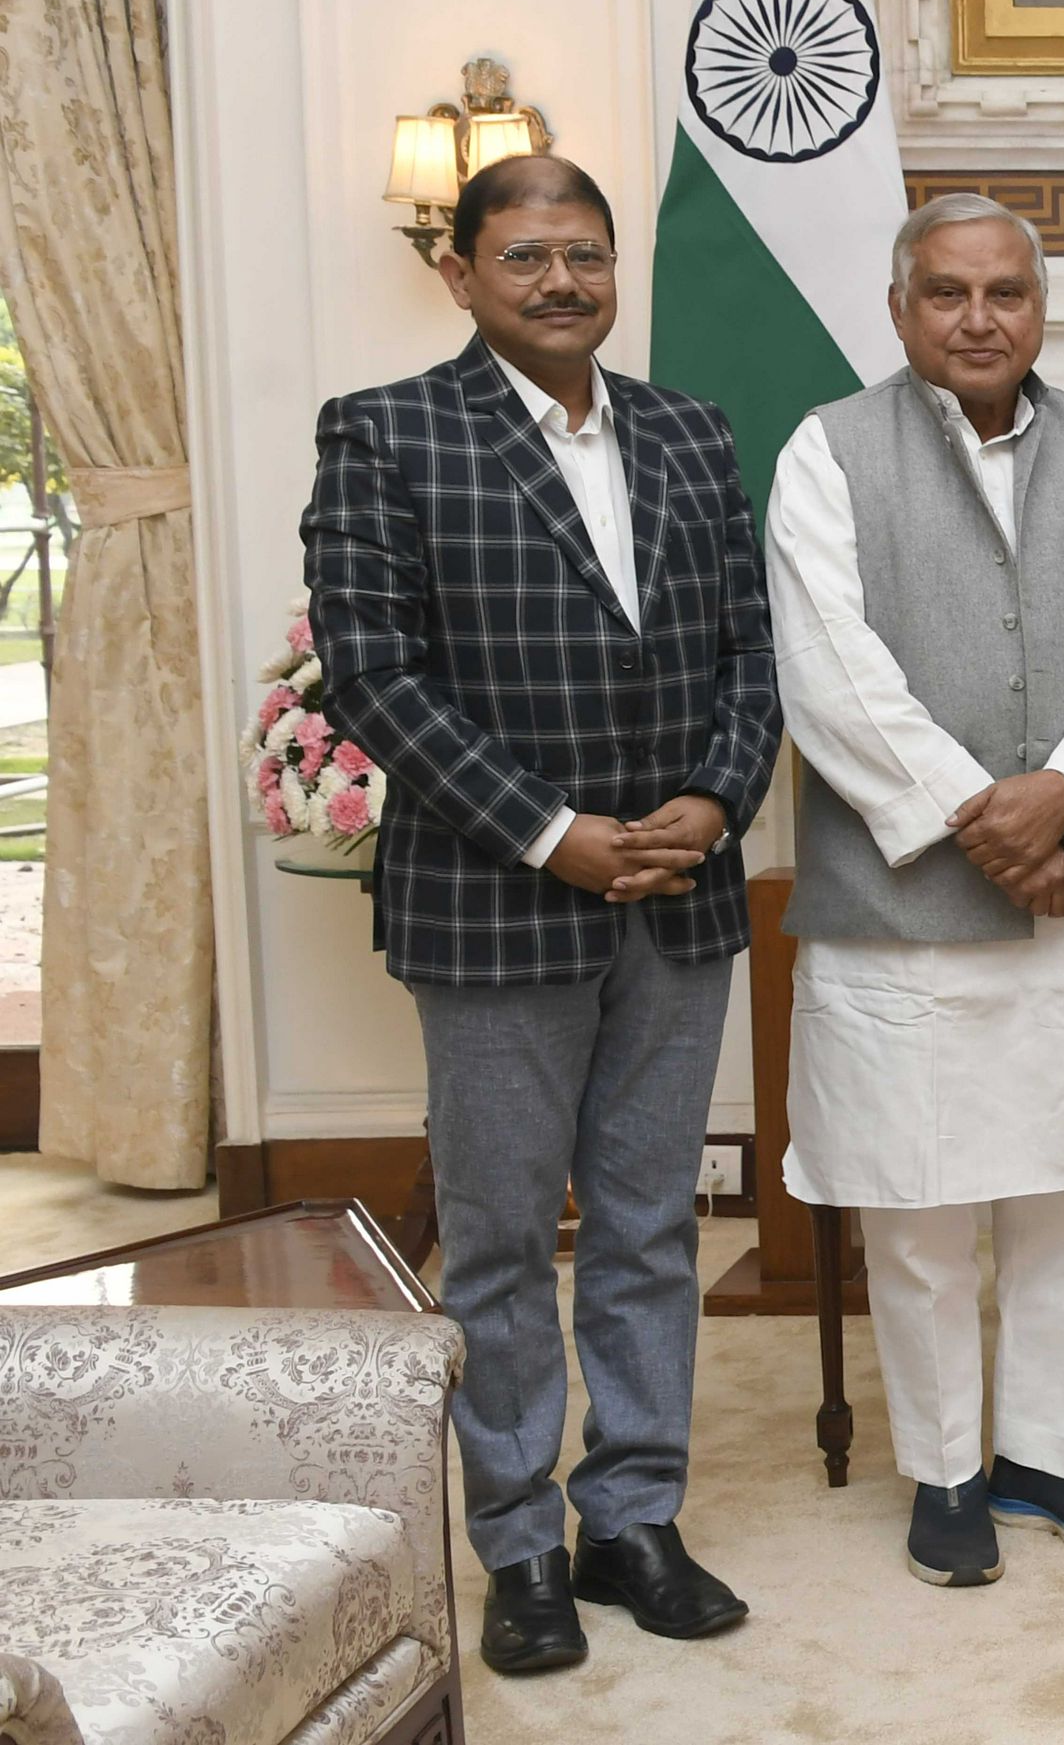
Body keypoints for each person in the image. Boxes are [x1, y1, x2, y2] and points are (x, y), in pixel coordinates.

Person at [302, 154, 781, 1675]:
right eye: (524, 256)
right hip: (495, 901)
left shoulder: (691, 430)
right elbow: (373, 674)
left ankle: (632, 1517)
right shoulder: (385, 431)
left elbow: (750, 650)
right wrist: (548, 831)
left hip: (677, 896)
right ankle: (516, 1541)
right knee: (504, 1240)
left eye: (585, 253)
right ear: (460, 272)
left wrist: (715, 799)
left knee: (649, 1226)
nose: (561, 280)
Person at [763, 192, 1064, 1589]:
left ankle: (1045, 1454)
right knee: (918, 1207)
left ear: (1039, 308)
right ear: (899, 308)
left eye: (1005, 291)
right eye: (946, 292)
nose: (977, 317)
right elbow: (827, 666)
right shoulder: (827, 452)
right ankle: (945, 1468)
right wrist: (987, 822)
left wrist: (1060, 794)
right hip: (902, 915)